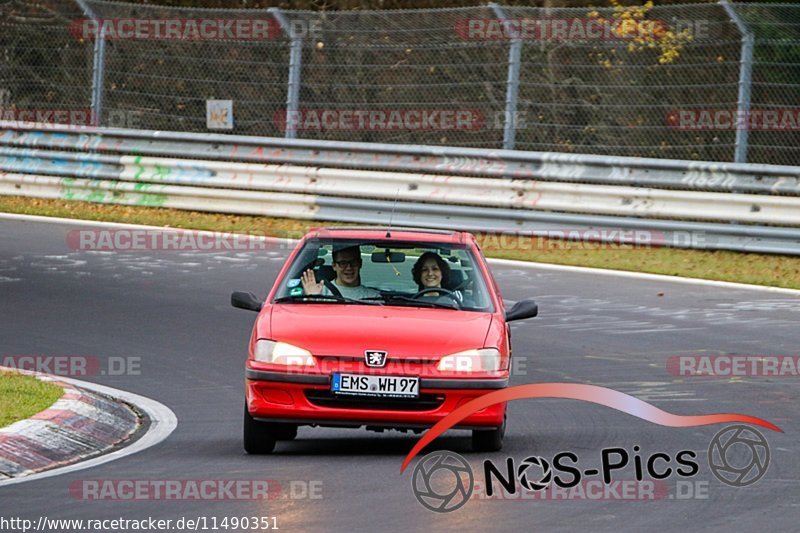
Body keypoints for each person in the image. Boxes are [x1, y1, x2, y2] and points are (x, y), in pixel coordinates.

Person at [301, 245, 380, 300]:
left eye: (353, 263)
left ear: (360, 264)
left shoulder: (373, 297)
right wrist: (311, 298)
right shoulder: (320, 291)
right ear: (334, 266)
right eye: (343, 263)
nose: (349, 268)